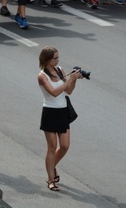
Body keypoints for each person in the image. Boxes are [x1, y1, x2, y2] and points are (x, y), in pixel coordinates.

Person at [37, 47, 81, 193]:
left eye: (58, 57)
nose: (57, 60)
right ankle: (50, 179)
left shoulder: (60, 70)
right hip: (50, 112)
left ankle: (51, 166)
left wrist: (73, 80)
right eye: (55, 58)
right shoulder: (42, 76)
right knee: (52, 146)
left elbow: (68, 91)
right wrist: (70, 80)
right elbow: (54, 92)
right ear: (47, 60)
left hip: (63, 111)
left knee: (64, 145)